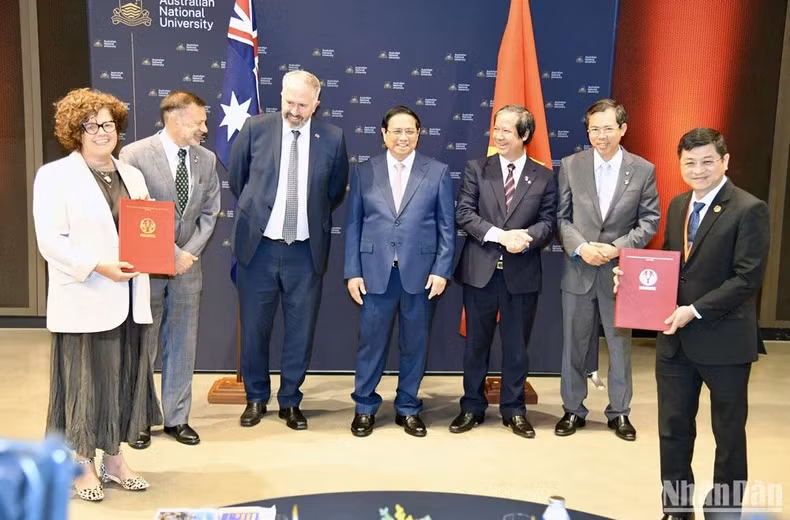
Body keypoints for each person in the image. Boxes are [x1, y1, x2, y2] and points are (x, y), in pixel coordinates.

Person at [615, 128, 770, 519]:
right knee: (673, 431)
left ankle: (723, 511)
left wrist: (695, 310)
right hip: (675, 342)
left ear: (725, 161)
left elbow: (747, 278)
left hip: (725, 341)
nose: (698, 170)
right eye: (690, 162)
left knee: (728, 436)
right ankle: (676, 508)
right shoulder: (679, 204)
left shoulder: (749, 209)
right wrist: (631, 282)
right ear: (680, 164)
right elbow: (671, 266)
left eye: (707, 161)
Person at [32, 88, 161, 501]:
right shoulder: (54, 176)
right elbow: (50, 241)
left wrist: (158, 251)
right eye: (91, 125)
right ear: (75, 131)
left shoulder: (133, 175)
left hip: (128, 300)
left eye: (108, 124)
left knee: (121, 382)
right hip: (85, 297)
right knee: (85, 387)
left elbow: (144, 231)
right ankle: (82, 465)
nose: (102, 132)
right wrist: (97, 266)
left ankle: (115, 460)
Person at [229, 70, 349, 430]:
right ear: (281, 96)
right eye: (289, 102)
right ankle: (256, 397)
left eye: (303, 105)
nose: (294, 111)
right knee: (254, 329)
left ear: (316, 104)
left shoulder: (333, 138)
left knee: (301, 331)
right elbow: (238, 179)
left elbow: (334, 191)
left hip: (305, 252)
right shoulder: (256, 128)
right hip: (259, 249)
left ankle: (290, 400)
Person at [344, 106, 455, 437]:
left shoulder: (437, 172)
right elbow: (353, 225)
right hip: (374, 273)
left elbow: (447, 227)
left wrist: (442, 270)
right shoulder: (364, 171)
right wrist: (353, 272)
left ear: (418, 134)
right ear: (384, 134)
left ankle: (408, 407)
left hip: (421, 276)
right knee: (370, 344)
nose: (403, 137)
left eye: (410, 131)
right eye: (396, 131)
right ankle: (365, 407)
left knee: (415, 345)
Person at [119, 91, 221, 448]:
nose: (204, 129)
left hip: (187, 269)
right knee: (143, 346)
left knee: (183, 344)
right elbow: (134, 214)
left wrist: (186, 254)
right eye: (198, 122)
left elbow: (210, 213)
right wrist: (170, 253)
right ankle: (139, 419)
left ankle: (178, 418)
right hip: (147, 270)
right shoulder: (134, 156)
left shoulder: (206, 159)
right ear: (175, 120)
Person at [555, 98, 659, 441]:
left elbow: (649, 220)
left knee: (619, 346)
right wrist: (582, 248)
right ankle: (573, 409)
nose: (601, 136)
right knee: (573, 344)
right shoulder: (571, 165)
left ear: (623, 129)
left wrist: (617, 248)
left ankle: (620, 412)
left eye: (608, 129)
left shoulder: (643, 169)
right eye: (594, 129)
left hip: (619, 273)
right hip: (579, 269)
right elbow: (562, 218)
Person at [451, 104, 557, 438]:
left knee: (516, 348)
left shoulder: (544, 176)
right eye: (496, 128)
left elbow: (549, 222)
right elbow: (464, 213)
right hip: (480, 271)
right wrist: (500, 236)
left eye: (506, 130)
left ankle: (514, 410)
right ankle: (471, 406)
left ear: (524, 135)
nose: (498, 135)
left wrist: (525, 239)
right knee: (475, 346)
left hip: (521, 274)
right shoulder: (477, 169)